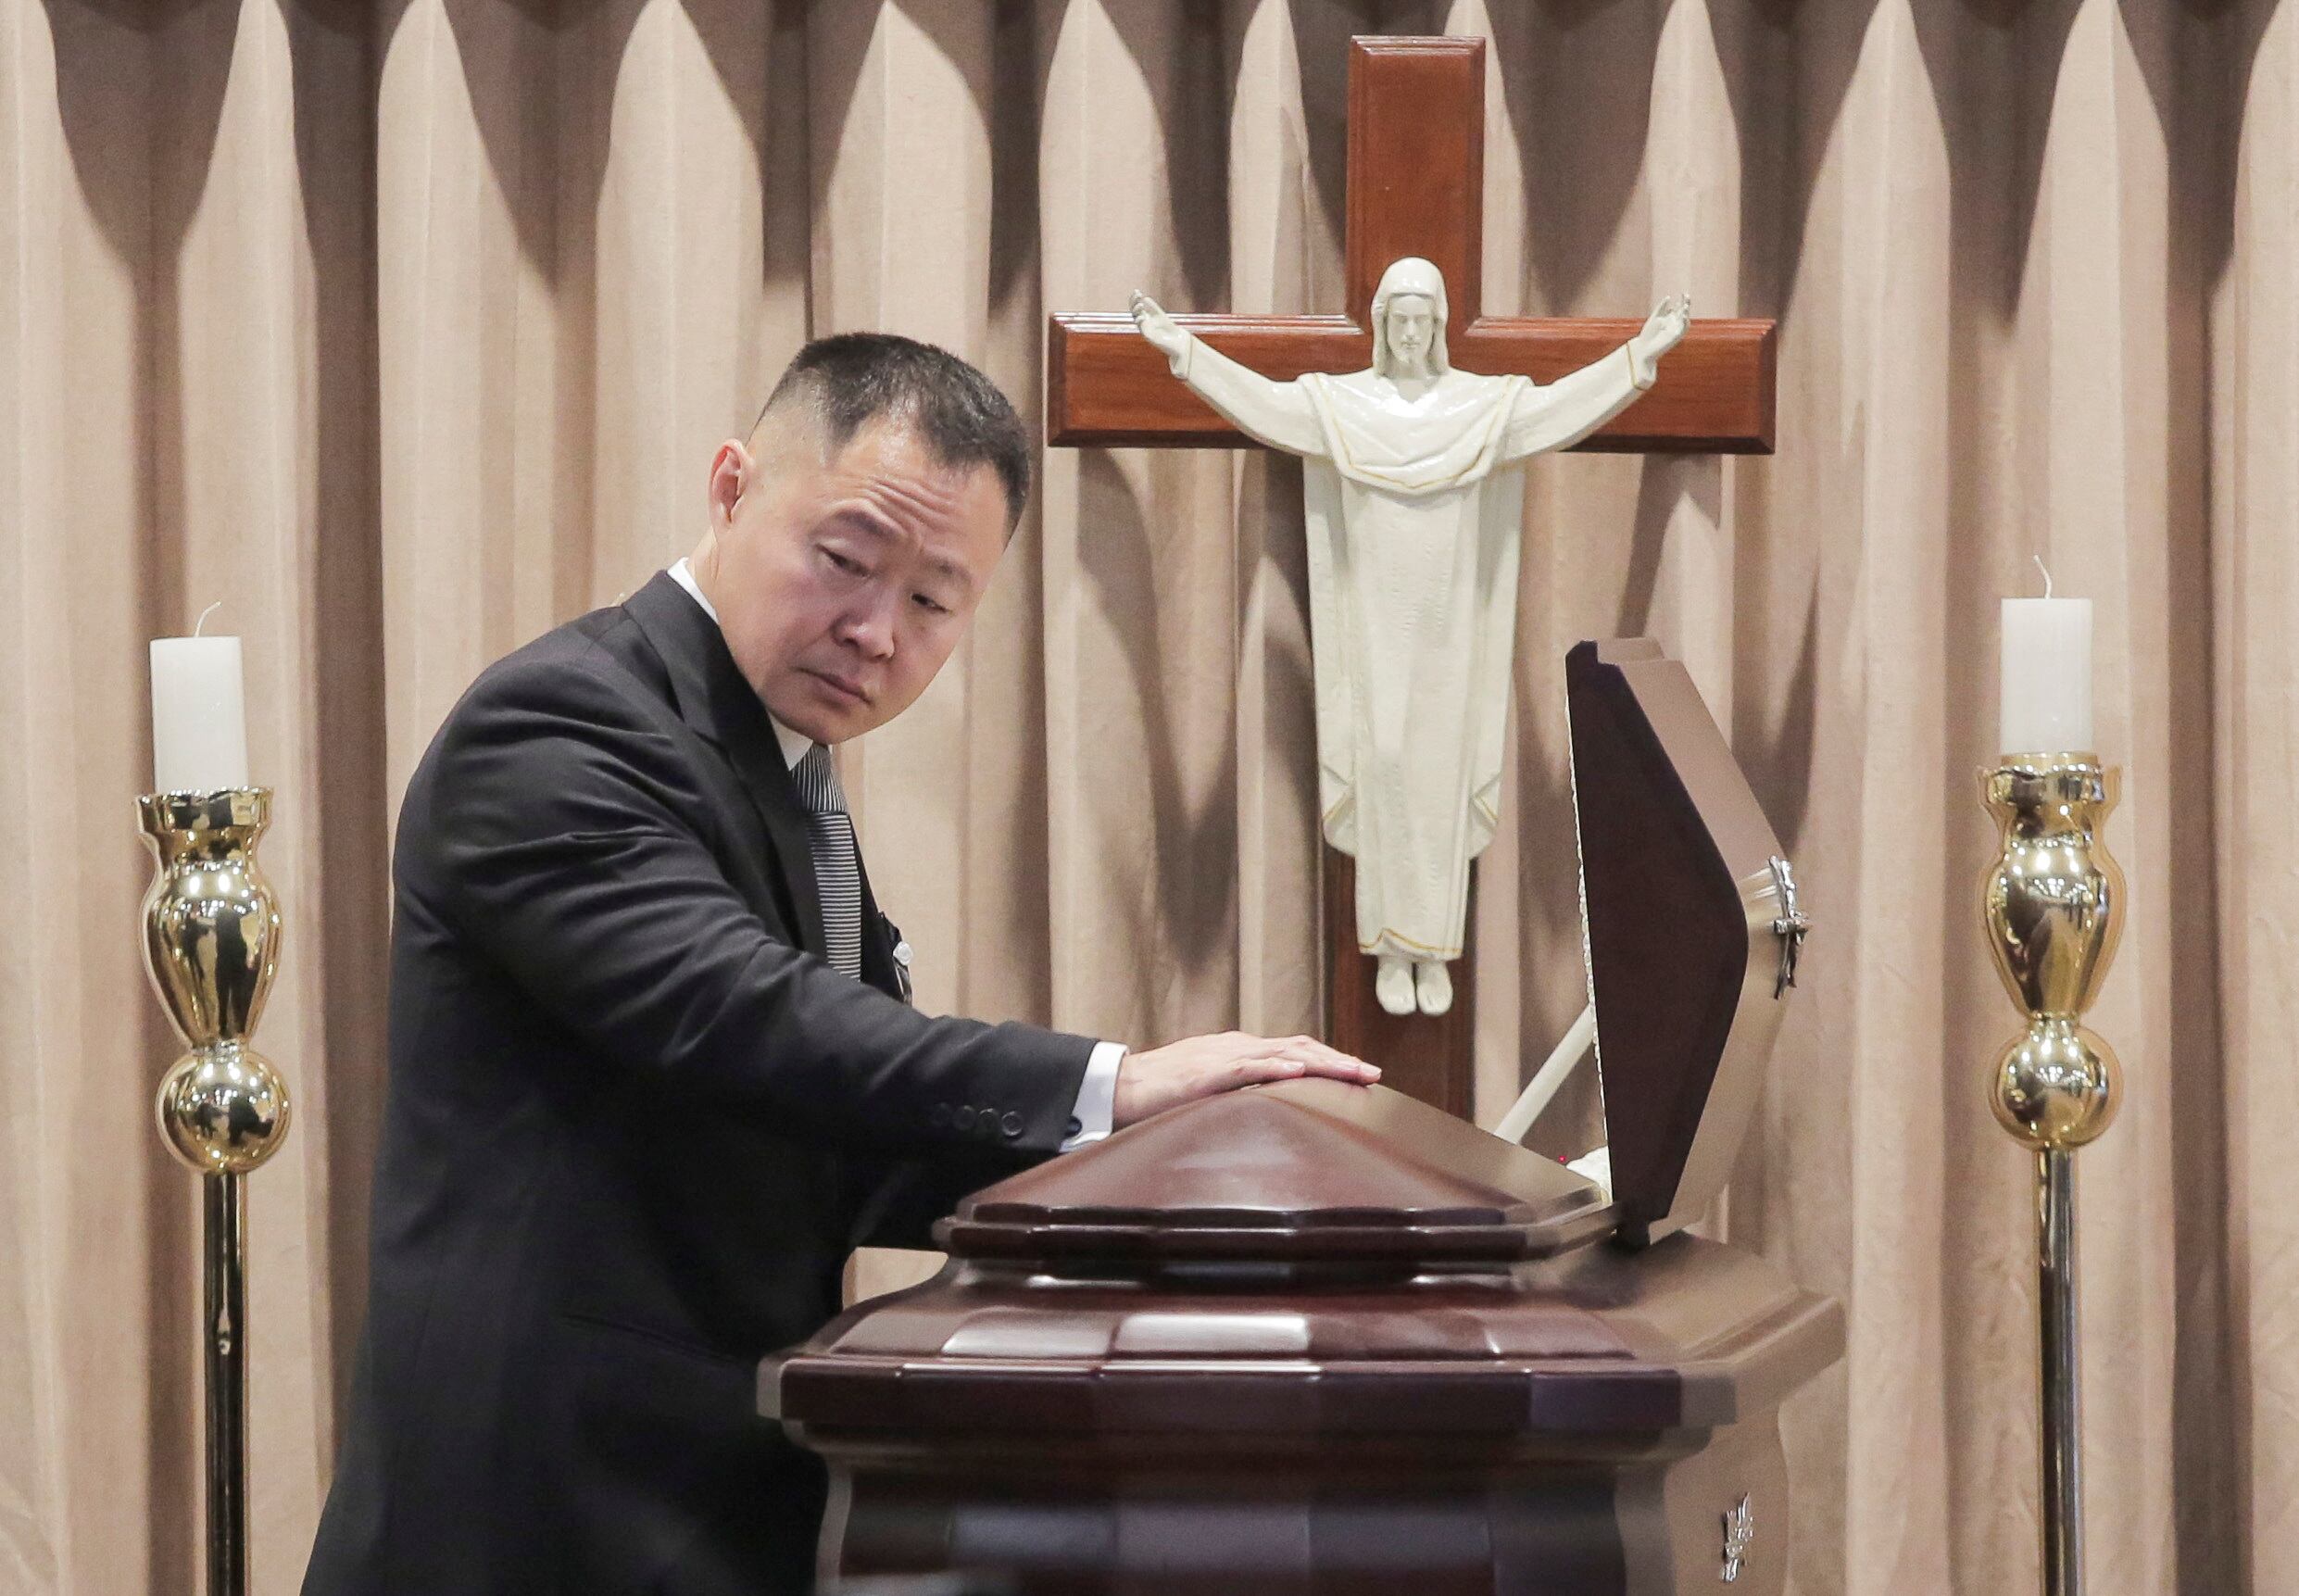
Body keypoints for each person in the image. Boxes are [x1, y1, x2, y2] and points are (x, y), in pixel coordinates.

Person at [300, 333, 1378, 1596]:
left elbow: (853, 1132)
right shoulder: (560, 725)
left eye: (932, 600)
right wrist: (1112, 1080)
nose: (874, 630)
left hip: (707, 1481)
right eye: (844, 560)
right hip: (538, 1498)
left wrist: (1181, 1171)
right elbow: (748, 1019)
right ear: (730, 486)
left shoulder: (779, 761)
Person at [1131, 259, 1689, 1019]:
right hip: (1375, 628)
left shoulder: (1480, 410)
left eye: (1423, 319)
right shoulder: (1343, 407)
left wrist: (1637, 360)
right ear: (1384, 325)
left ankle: (1431, 947)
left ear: (1438, 327)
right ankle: (1392, 941)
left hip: (1451, 625)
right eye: (1399, 318)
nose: (1411, 330)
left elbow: (1559, 409)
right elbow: (1262, 406)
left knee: (1440, 773)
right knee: (1385, 759)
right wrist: (1186, 352)